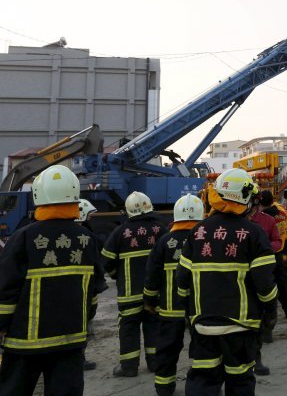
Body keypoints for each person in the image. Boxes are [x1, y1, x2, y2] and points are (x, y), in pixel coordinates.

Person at [0, 165, 105, 396]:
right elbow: (94, 293)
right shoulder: (88, 239)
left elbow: (6, 291)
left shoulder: (23, 237)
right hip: (71, 343)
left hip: (23, 345)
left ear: (38, 195)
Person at [176, 168, 277, 395]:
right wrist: (270, 312)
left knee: (202, 381)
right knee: (240, 381)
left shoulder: (198, 231)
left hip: (203, 326)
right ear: (244, 198)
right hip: (240, 328)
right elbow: (265, 285)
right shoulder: (254, 233)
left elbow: (182, 280)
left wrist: (189, 312)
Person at [143, 194, 204, 396]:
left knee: (167, 351)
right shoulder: (206, 240)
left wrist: (149, 301)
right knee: (203, 351)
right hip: (199, 310)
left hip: (170, 311)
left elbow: (152, 275)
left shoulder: (164, 242)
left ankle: (164, 387)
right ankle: (202, 386)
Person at [102, 191, 167, 376]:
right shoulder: (159, 229)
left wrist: (117, 275)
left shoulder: (121, 232)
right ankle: (154, 364)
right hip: (153, 294)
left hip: (129, 294)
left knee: (129, 329)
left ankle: (129, 368)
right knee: (153, 326)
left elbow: (106, 260)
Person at [257, 189, 287, 341]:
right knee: (284, 293)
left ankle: (266, 329)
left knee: (261, 294)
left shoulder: (260, 219)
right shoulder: (281, 212)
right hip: (277, 255)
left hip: (262, 259)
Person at [247, 192, 283, 376]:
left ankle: (256, 359)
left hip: (263, 272)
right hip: (240, 279)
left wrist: (268, 249)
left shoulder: (267, 221)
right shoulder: (234, 224)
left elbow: (277, 240)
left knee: (258, 318)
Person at [76, 198, 106, 372]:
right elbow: (97, 265)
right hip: (84, 292)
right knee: (82, 326)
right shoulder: (87, 238)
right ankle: (80, 359)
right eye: (88, 216)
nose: (90, 219)